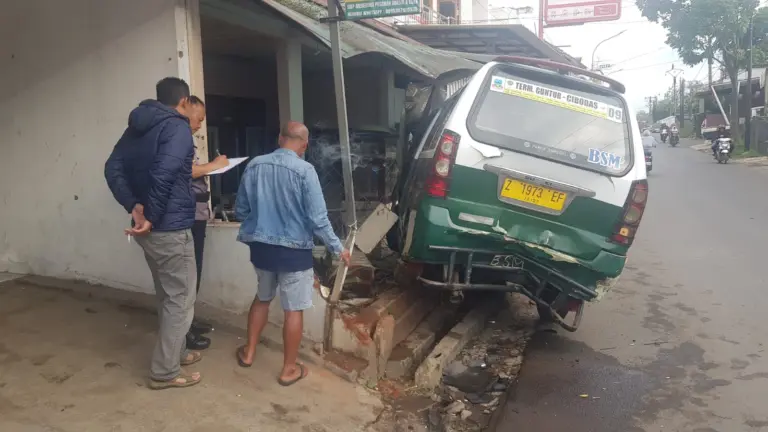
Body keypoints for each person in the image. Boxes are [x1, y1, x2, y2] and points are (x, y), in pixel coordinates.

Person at [234, 121, 351, 386]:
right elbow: (318, 218)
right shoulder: (305, 170)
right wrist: (337, 248)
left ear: (280, 138)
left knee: (262, 298)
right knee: (293, 310)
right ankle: (288, 370)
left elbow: (241, 209)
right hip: (294, 253)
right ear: (304, 145)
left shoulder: (255, 165)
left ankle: (249, 353)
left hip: (261, 248)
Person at [104, 77, 202, 390]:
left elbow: (112, 167)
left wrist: (134, 205)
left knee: (168, 294)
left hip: (150, 231)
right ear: (184, 101)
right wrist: (152, 216)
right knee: (181, 300)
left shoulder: (137, 127)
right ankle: (164, 372)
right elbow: (165, 173)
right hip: (169, 228)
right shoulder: (177, 128)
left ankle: (178, 351)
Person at [184, 96, 228, 350]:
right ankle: (184, 332)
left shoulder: (183, 138)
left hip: (195, 214)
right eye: (198, 118)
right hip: (187, 216)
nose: (200, 124)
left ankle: (188, 322)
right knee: (189, 275)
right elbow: (185, 171)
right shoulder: (176, 137)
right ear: (184, 108)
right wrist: (213, 166)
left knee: (194, 272)